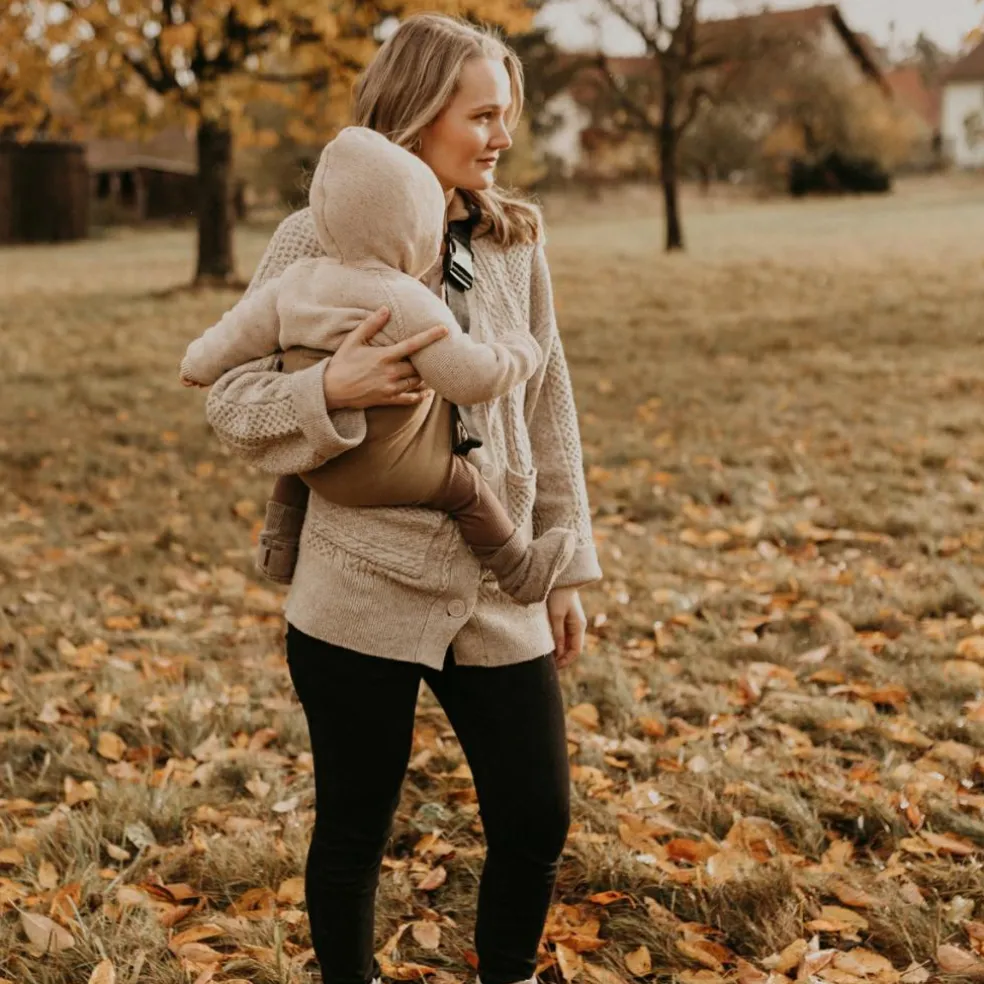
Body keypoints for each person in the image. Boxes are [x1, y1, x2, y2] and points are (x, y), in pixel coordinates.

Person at [201, 13, 602, 984]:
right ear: (418, 114)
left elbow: (548, 401)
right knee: (354, 829)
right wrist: (325, 392)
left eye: (507, 114)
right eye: (483, 115)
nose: (503, 135)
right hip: (357, 584)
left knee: (536, 815)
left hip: (499, 582)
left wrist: (566, 566)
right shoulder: (313, 238)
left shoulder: (511, 239)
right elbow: (228, 402)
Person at [179, 125, 575, 604]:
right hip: (390, 484)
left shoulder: (299, 280)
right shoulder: (405, 297)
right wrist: (520, 350)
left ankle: (279, 544)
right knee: (465, 485)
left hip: (323, 468)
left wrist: (197, 362)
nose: (503, 136)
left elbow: (237, 332)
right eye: (483, 115)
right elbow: (468, 377)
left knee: (300, 466)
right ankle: (519, 568)